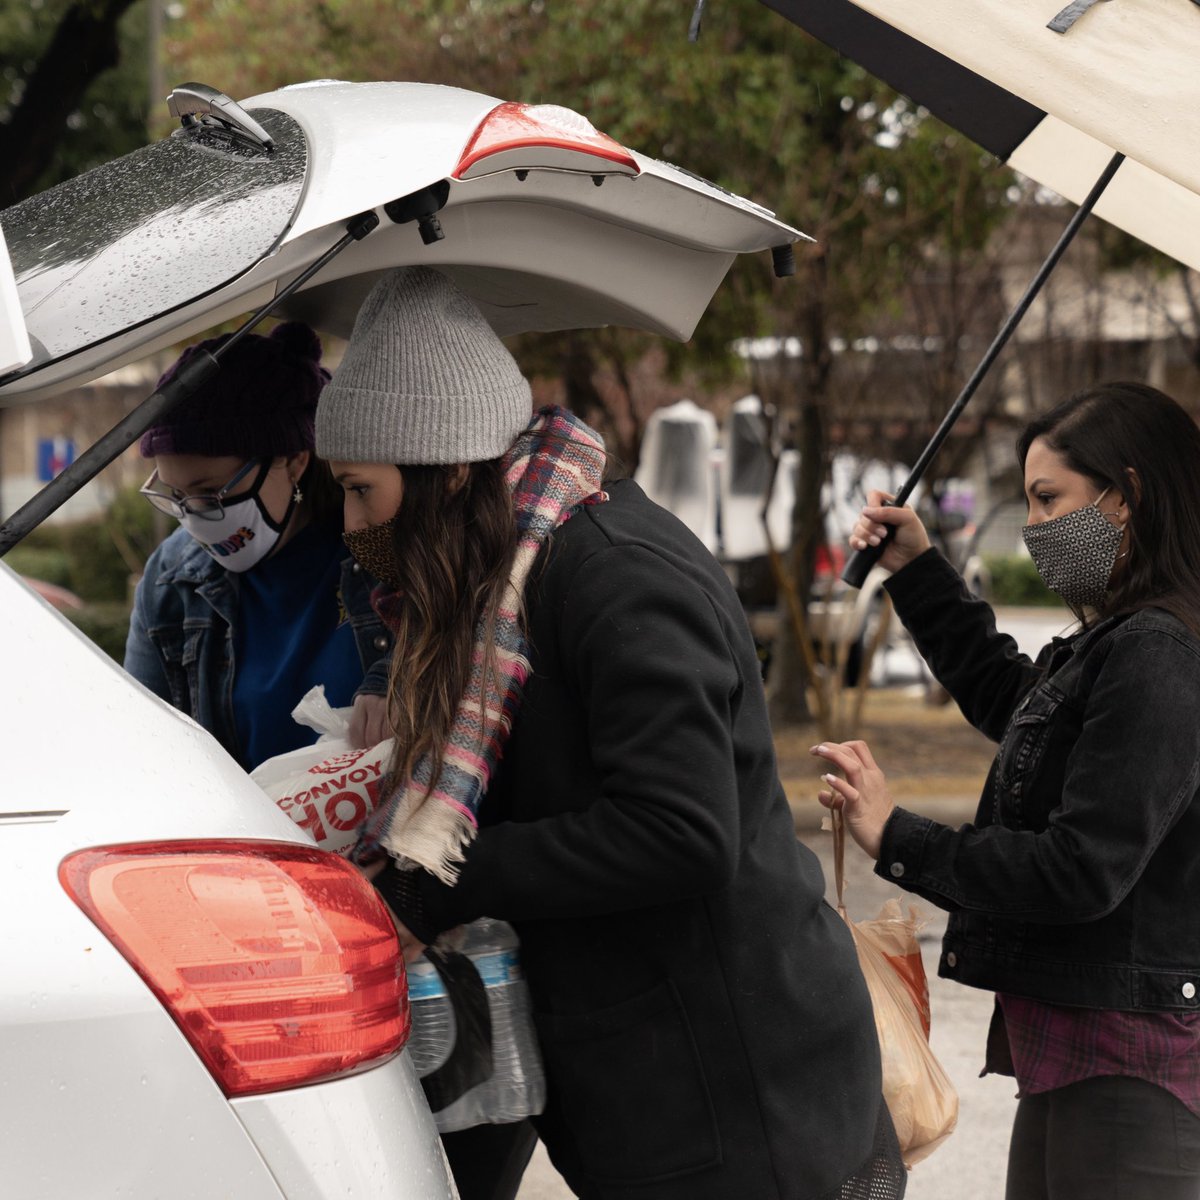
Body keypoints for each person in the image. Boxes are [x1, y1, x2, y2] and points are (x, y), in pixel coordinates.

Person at [314, 266, 906, 1200]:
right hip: (653, 1091)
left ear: (447, 469)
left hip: (746, 1100)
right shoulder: (504, 583)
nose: (352, 527)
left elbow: (681, 831)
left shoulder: (615, 576)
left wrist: (438, 881)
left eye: (361, 492)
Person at [818, 381, 1200, 1200]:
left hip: (1134, 1063)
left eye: (1047, 499)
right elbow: (1017, 705)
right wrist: (917, 570)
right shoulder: (1118, 642)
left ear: (1126, 498)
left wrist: (899, 837)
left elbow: (1080, 870)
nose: (1031, 528)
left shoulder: (1159, 652)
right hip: (1072, 1051)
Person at [124, 321, 393, 767]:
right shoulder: (172, 582)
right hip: (239, 835)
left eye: (210, 493)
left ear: (293, 460)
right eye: (175, 496)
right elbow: (144, 754)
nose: (194, 515)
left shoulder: (378, 548)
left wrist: (395, 679)